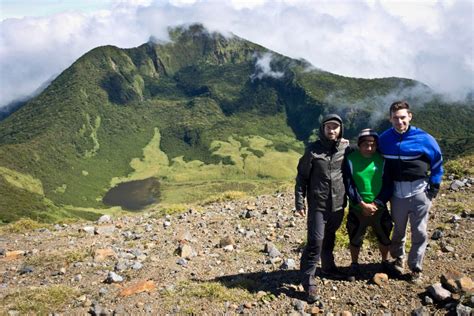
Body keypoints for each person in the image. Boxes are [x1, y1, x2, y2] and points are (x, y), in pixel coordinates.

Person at [378, 101, 443, 283]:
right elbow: (367, 148)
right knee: (398, 230)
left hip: (420, 190)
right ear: (390, 119)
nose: (400, 122)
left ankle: (416, 267)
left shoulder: (424, 138)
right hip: (397, 192)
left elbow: (437, 162)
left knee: (420, 231)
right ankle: (399, 259)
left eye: (403, 117)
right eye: (396, 118)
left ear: (410, 116)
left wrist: (434, 187)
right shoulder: (384, 139)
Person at [295, 114, 349, 303]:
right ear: (323, 129)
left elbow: (366, 150)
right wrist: (299, 202)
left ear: (340, 129)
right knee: (315, 242)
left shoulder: (346, 148)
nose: (332, 130)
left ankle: (328, 267)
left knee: (330, 237)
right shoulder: (313, 150)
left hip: (338, 204)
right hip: (318, 204)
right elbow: (302, 177)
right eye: (328, 127)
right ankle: (308, 281)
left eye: (335, 127)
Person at [342, 128, 393, 279]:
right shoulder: (351, 159)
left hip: (379, 207)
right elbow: (348, 183)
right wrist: (361, 203)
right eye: (365, 144)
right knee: (355, 237)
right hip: (358, 208)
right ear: (359, 144)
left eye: (372, 144)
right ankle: (354, 264)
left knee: (384, 236)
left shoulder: (382, 160)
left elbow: (388, 184)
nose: (369, 148)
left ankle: (385, 262)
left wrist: (376, 203)